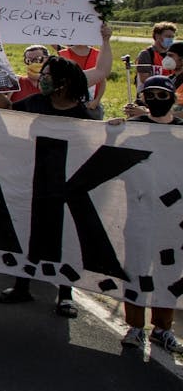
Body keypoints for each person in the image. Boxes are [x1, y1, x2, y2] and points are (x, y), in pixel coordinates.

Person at [0, 24, 113, 318]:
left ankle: (65, 294)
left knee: (67, 237)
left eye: (48, 77)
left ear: (63, 82)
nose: (42, 80)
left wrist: (106, 40)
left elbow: (102, 70)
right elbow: (4, 109)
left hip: (72, 182)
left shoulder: (79, 108)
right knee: (30, 232)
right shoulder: (35, 102)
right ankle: (22, 285)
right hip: (36, 178)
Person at [109, 75, 183, 350]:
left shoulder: (181, 130)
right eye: (149, 95)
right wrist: (111, 133)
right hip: (140, 213)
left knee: (170, 272)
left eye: (162, 95)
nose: (156, 101)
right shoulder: (133, 130)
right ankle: (135, 326)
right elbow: (110, 165)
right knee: (137, 269)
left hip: (174, 220)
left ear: (173, 98)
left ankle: (162, 328)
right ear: (143, 98)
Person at [135, 22, 177, 91]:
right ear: (157, 36)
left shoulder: (174, 55)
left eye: (172, 37)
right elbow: (144, 79)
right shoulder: (146, 54)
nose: (171, 39)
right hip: (149, 95)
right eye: (168, 36)